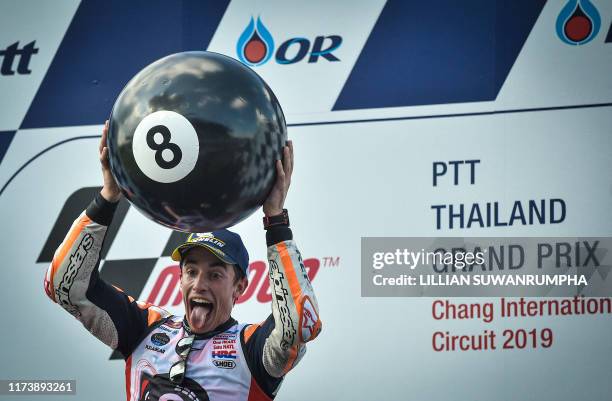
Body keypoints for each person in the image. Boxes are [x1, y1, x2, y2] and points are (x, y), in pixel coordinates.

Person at [44, 121, 322, 401]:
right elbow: (66, 287)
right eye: (191, 271)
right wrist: (107, 197)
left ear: (240, 287)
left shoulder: (251, 349)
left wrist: (275, 221)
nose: (199, 284)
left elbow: (299, 324)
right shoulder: (145, 328)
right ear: (179, 278)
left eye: (215, 275)